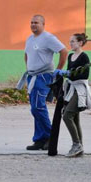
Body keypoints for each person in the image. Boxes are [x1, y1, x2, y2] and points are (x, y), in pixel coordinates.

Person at [17, 15, 68, 151]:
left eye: (36, 23)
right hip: (32, 76)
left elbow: (63, 51)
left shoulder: (48, 38)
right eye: (31, 22)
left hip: (44, 76)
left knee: (38, 108)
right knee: (34, 108)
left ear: (43, 24)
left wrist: (57, 71)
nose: (33, 25)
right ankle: (40, 139)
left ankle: (50, 136)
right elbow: (26, 55)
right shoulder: (29, 38)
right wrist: (29, 68)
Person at [61, 33, 91, 157]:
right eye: (70, 41)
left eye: (73, 41)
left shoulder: (84, 57)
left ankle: (76, 145)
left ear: (80, 43)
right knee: (75, 118)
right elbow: (69, 73)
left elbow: (84, 75)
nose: (71, 44)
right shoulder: (70, 56)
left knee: (67, 115)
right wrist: (65, 74)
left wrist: (69, 74)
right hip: (71, 89)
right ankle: (79, 147)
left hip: (80, 88)